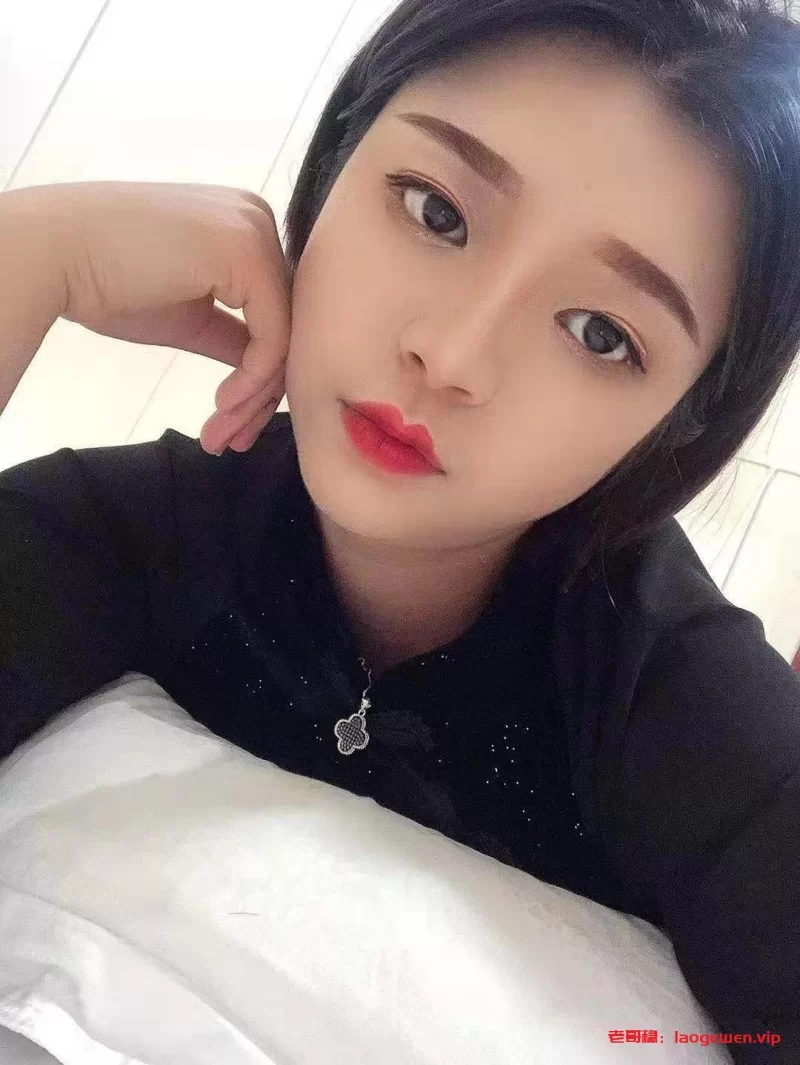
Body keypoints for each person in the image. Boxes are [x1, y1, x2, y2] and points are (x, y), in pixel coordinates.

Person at [2, 0, 800, 1058]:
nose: (453, 356)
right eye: (436, 212)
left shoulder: (672, 696)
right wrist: (24, 258)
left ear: (679, 417)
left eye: (599, 332)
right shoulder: (137, 530)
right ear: (339, 158)